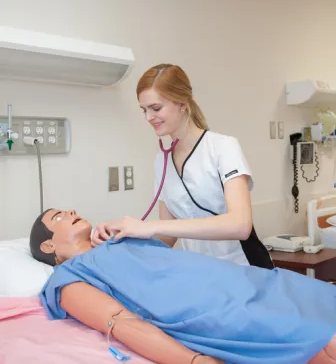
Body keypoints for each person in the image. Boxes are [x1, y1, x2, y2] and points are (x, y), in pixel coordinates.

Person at [30, 208, 336, 364]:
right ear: (47, 245)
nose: (71, 212)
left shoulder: (121, 241)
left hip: (247, 281)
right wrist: (193, 361)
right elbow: (121, 324)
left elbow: (170, 255)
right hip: (214, 308)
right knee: (321, 337)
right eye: (59, 216)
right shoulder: (66, 278)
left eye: (70, 209)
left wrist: (132, 231)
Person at [91, 64, 273, 269]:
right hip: (200, 273)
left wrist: (148, 226)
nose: (148, 117)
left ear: (183, 103)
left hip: (244, 270)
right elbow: (167, 238)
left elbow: (240, 225)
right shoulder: (162, 160)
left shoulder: (223, 147)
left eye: (156, 108)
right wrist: (122, 237)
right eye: (144, 110)